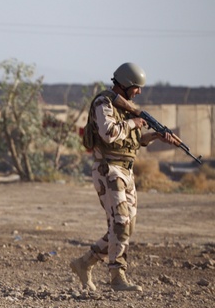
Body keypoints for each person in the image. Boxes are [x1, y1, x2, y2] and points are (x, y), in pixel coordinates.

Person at [70, 62, 178, 292]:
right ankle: (117, 276)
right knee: (120, 223)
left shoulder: (127, 108)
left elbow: (132, 141)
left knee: (126, 227)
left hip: (126, 170)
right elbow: (108, 134)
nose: (139, 92)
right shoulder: (104, 102)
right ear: (126, 84)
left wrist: (156, 137)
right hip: (108, 170)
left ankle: (83, 263)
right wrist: (133, 122)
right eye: (136, 87)